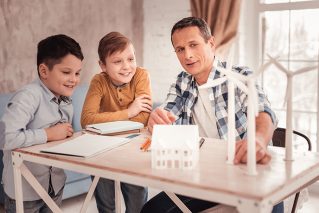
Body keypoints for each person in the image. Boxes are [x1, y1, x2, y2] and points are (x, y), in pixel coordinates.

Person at [142, 17, 283, 213]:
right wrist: (157, 120)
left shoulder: (239, 75)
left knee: (268, 200)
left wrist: (258, 138)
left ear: (211, 43)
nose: (188, 55)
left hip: (245, 172)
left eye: (193, 45)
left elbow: (263, 110)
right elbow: (167, 112)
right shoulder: (182, 82)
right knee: (151, 210)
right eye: (180, 49)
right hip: (204, 176)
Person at [1, 34, 84, 212]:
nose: (74, 79)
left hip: (55, 186)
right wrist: (48, 134)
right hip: (25, 192)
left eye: (77, 73)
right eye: (66, 72)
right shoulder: (28, 96)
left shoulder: (66, 99)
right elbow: (5, 138)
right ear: (44, 71)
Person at [81, 32, 152, 213]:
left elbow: (142, 118)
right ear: (102, 65)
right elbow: (87, 120)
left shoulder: (141, 75)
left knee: (137, 203)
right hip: (101, 148)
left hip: (133, 148)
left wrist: (106, 122)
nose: (127, 66)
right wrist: (129, 112)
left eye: (130, 58)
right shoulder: (99, 81)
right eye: (117, 61)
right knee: (106, 205)